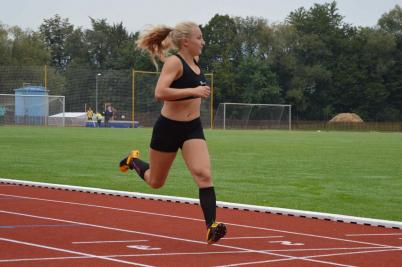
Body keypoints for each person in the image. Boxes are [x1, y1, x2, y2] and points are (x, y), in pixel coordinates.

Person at [119, 21, 226, 244]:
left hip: (192, 128)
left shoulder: (196, 61)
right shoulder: (174, 62)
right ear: (186, 42)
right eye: (199, 38)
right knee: (156, 182)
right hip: (168, 128)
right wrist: (193, 91)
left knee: (204, 174)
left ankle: (211, 227)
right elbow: (160, 92)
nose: (203, 42)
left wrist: (194, 93)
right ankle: (133, 161)